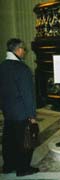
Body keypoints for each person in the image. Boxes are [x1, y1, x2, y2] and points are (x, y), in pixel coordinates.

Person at [0, 38, 39, 176]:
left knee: (9, 141)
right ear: (18, 50)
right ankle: (23, 168)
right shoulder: (22, 69)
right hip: (22, 112)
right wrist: (32, 116)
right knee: (25, 142)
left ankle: (8, 166)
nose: (24, 52)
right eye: (24, 49)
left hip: (8, 112)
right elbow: (27, 95)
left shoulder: (2, 66)